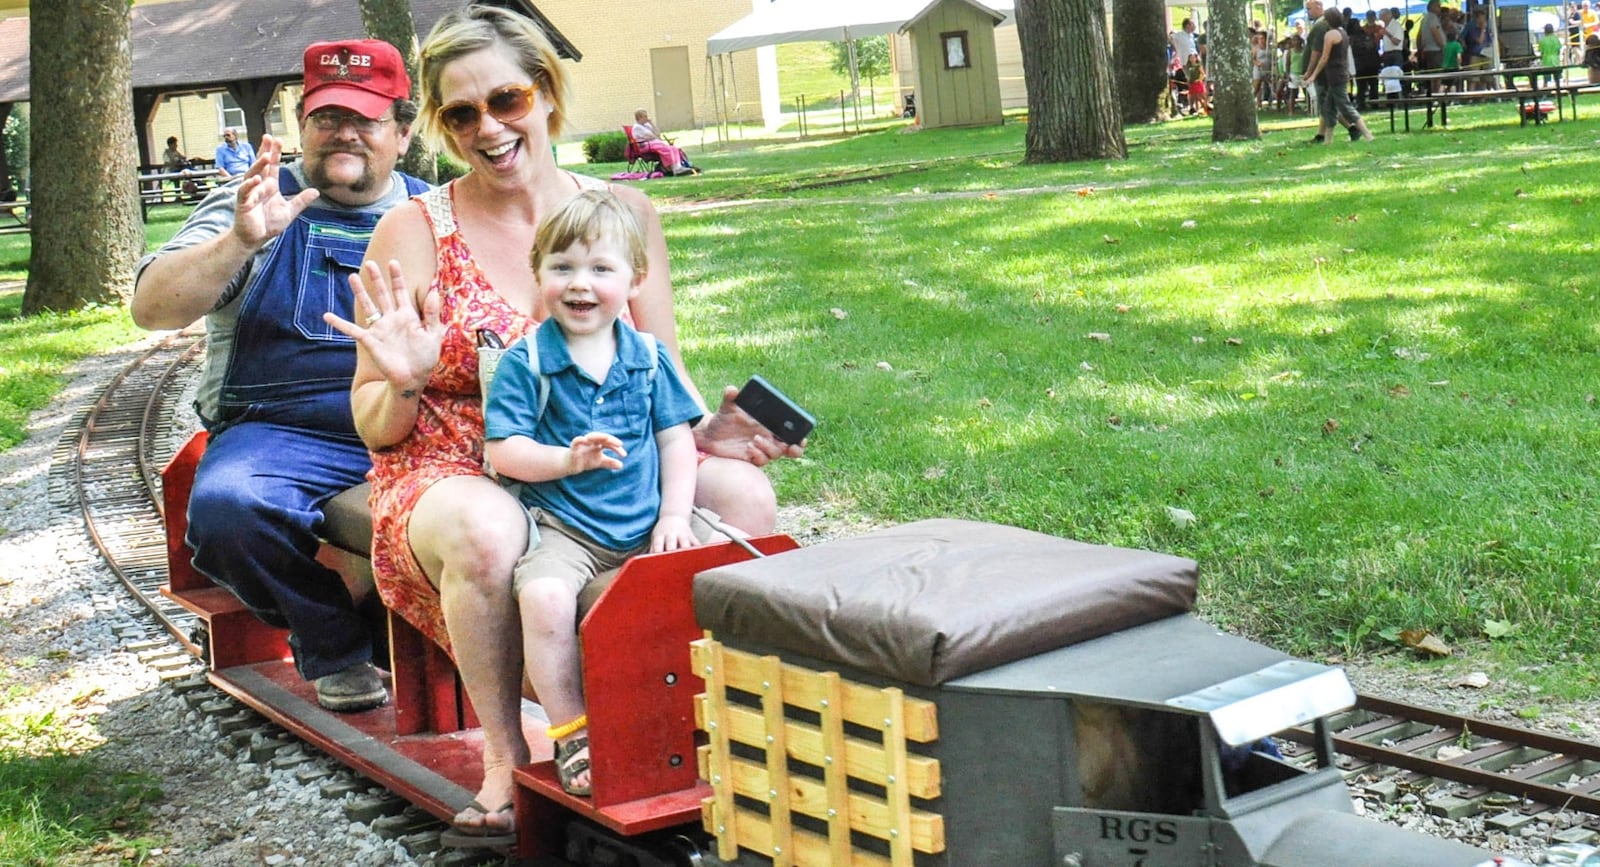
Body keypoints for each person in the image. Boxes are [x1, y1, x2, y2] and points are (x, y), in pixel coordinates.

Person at [321, 5, 798, 843]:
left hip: (601, 460)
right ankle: (509, 756)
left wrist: (706, 431)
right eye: (460, 113)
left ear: (545, 91)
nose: (488, 128)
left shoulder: (623, 216)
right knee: (488, 527)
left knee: (744, 495)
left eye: (505, 99)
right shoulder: (412, 230)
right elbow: (374, 425)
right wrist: (404, 382)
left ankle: (709, 721)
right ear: (438, 123)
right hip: (453, 466)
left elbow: (659, 369)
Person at [130, 38, 430, 713]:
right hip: (286, 434)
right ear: (303, 124)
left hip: (415, 423)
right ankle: (335, 639)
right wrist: (241, 239)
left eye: (367, 119)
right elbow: (150, 309)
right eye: (328, 117)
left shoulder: (437, 213)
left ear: (403, 133)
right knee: (225, 511)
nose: (343, 133)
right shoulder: (253, 202)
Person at [480, 189, 707, 799]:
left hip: (646, 522)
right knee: (546, 599)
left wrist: (675, 514)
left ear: (634, 280)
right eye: (563, 267)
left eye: (600, 269)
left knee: (724, 576)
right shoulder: (525, 362)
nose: (580, 284)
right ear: (538, 274)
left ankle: (718, 711)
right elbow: (505, 450)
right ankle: (571, 728)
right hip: (566, 530)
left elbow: (675, 444)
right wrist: (565, 459)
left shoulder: (648, 358)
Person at [1306, 7, 1375, 142]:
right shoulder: (1343, 33)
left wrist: (1313, 75)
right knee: (1328, 107)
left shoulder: (1330, 35)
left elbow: (1324, 58)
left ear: (1328, 20)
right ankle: (1328, 140)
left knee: (1345, 106)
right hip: (1341, 72)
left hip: (1335, 74)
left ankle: (1368, 134)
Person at [628, 109, 695, 176]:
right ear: (640, 117)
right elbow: (651, 136)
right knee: (667, 149)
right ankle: (674, 168)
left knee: (674, 148)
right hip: (644, 145)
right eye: (645, 116)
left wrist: (652, 123)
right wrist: (656, 137)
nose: (647, 118)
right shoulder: (637, 127)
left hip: (653, 143)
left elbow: (657, 133)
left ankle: (678, 167)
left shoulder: (646, 125)